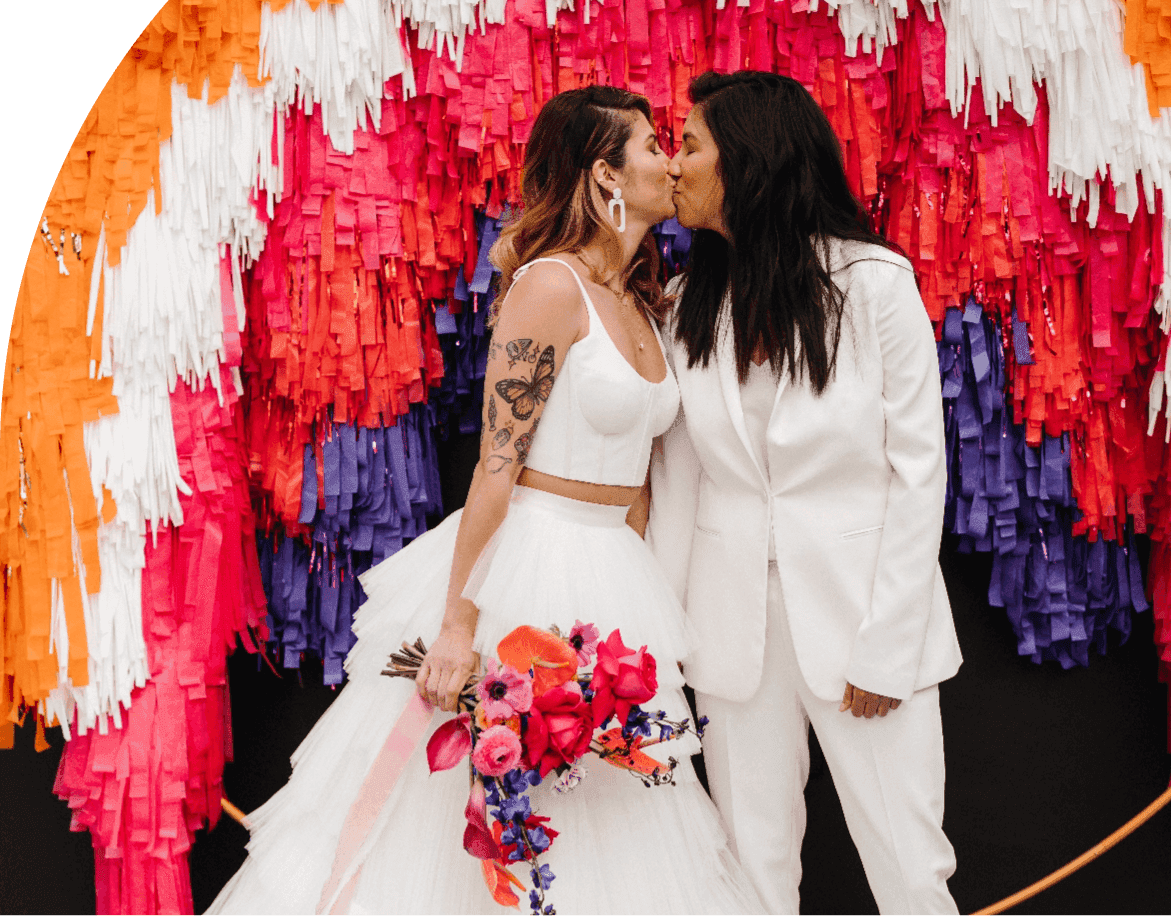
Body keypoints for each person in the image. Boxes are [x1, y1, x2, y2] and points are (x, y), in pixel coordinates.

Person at [209, 87, 762, 915]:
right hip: (530, 561)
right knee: (496, 812)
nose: (672, 162)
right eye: (653, 147)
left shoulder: (645, 300)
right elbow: (496, 464)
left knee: (609, 810)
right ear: (604, 174)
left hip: (619, 579)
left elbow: (643, 478)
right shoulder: (551, 286)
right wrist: (460, 624)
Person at [648, 70, 963, 916]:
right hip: (729, 634)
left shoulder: (873, 285)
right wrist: (662, 644)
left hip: (864, 625)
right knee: (750, 872)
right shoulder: (684, 303)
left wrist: (887, 649)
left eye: (688, 144)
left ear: (749, 160)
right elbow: (680, 481)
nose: (673, 165)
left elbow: (917, 472)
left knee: (910, 868)